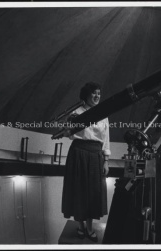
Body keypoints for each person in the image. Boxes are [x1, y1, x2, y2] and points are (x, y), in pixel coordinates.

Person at [61, 82, 110, 242]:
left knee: (93, 193)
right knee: (79, 190)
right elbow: (68, 133)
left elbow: (106, 140)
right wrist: (68, 125)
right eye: (93, 93)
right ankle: (81, 226)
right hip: (78, 153)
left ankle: (89, 228)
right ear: (86, 95)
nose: (97, 96)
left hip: (96, 155)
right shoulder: (76, 112)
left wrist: (106, 161)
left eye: (99, 93)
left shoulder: (103, 114)